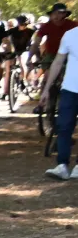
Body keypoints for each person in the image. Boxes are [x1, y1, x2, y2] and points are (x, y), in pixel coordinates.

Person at [41, 19, 78, 179]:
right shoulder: (69, 35)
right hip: (70, 88)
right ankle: (62, 165)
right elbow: (57, 62)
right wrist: (47, 88)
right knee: (64, 127)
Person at [34, 3, 75, 111]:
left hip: (68, 55)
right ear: (51, 15)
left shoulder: (73, 25)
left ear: (65, 14)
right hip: (51, 54)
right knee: (47, 75)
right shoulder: (46, 26)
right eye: (54, 14)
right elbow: (36, 43)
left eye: (60, 13)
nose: (57, 16)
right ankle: (42, 103)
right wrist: (30, 57)